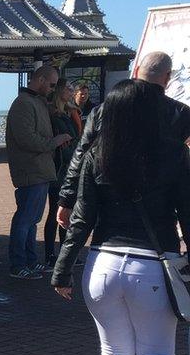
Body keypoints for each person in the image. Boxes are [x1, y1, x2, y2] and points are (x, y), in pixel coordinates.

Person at [51, 79, 190, 355]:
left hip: (102, 265)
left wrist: (61, 268)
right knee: (157, 352)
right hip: (153, 265)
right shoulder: (173, 154)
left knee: (113, 352)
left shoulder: (98, 151)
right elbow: (187, 213)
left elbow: (81, 218)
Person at [58, 52, 190, 230]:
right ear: (167, 77)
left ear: (135, 71)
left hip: (111, 202)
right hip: (159, 209)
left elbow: (81, 154)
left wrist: (67, 198)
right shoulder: (181, 113)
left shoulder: (102, 110)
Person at [5, 65, 73, 279]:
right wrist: (54, 142)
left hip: (39, 170)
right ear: (41, 80)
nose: (53, 89)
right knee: (25, 219)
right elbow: (26, 139)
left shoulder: (36, 102)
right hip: (30, 170)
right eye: (52, 85)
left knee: (31, 220)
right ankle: (18, 264)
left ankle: (30, 261)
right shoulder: (24, 104)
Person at [42, 80, 80, 269]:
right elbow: (64, 141)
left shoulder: (69, 112)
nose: (72, 92)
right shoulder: (54, 114)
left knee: (68, 211)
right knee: (56, 212)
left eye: (73, 89)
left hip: (69, 167)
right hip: (60, 169)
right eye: (68, 89)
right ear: (59, 91)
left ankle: (65, 254)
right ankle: (50, 254)